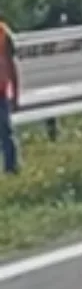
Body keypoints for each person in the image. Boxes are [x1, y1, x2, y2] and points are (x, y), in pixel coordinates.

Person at [0, 15, 20, 174]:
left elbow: (11, 66)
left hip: (1, 91)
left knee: (5, 132)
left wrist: (15, 94)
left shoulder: (3, 33)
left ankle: (11, 168)